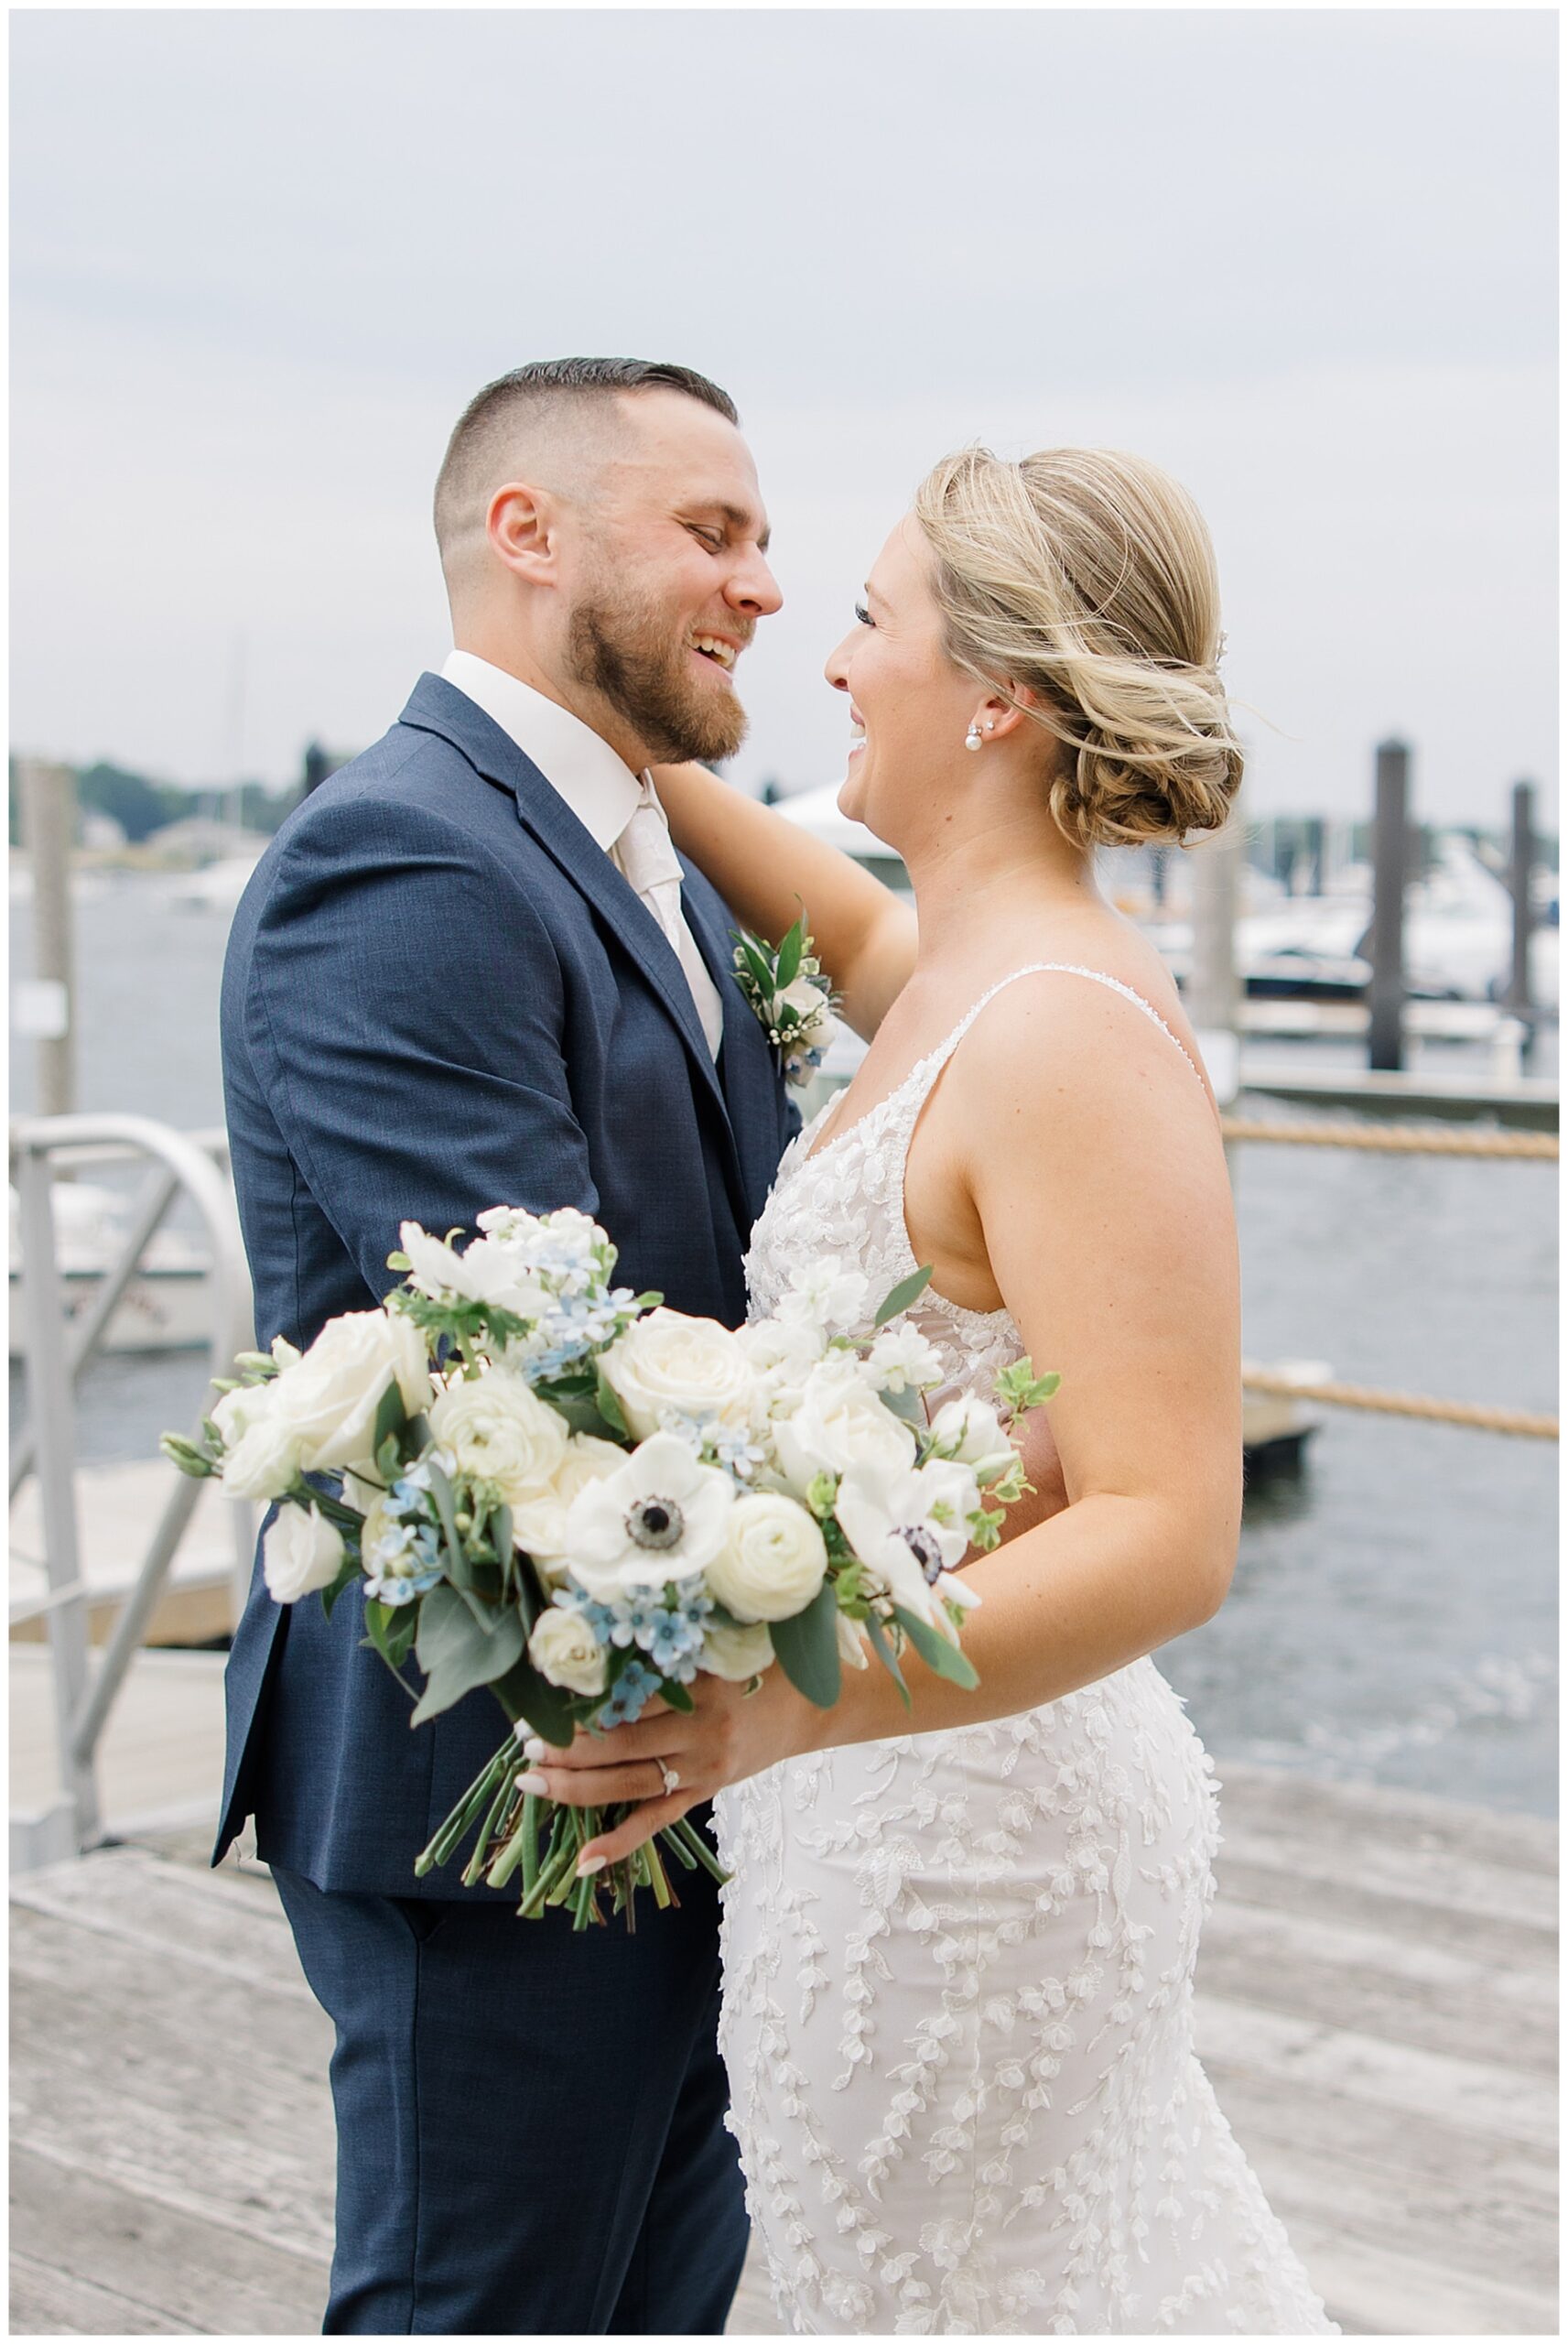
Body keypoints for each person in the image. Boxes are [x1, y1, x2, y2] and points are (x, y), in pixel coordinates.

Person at [521, 445, 1339, 2332]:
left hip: (965, 1850)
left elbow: (1165, 1521)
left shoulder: (1059, 1029)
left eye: (872, 616)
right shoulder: (958, 970)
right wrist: (617, 744)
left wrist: (776, 1713)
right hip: (871, 1809)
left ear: (994, 695)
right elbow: (853, 922)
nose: (827, 656)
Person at [216, 357, 796, 2334]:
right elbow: (514, 1365)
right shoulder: (407, 858)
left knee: (655, 2295)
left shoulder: (655, 856)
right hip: (493, 1771)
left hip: (675, 1750)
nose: (764, 586)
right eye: (711, 531)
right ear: (525, 534)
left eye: (765, 537)